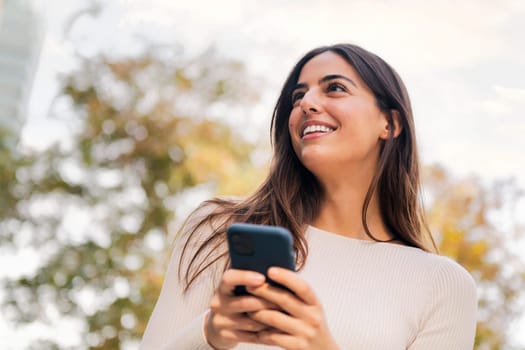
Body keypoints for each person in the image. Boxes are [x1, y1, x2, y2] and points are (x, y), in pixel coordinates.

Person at [139, 43, 478, 350]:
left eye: (335, 88)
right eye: (298, 96)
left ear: (389, 123)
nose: (307, 104)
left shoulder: (442, 286)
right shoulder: (218, 228)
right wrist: (210, 331)